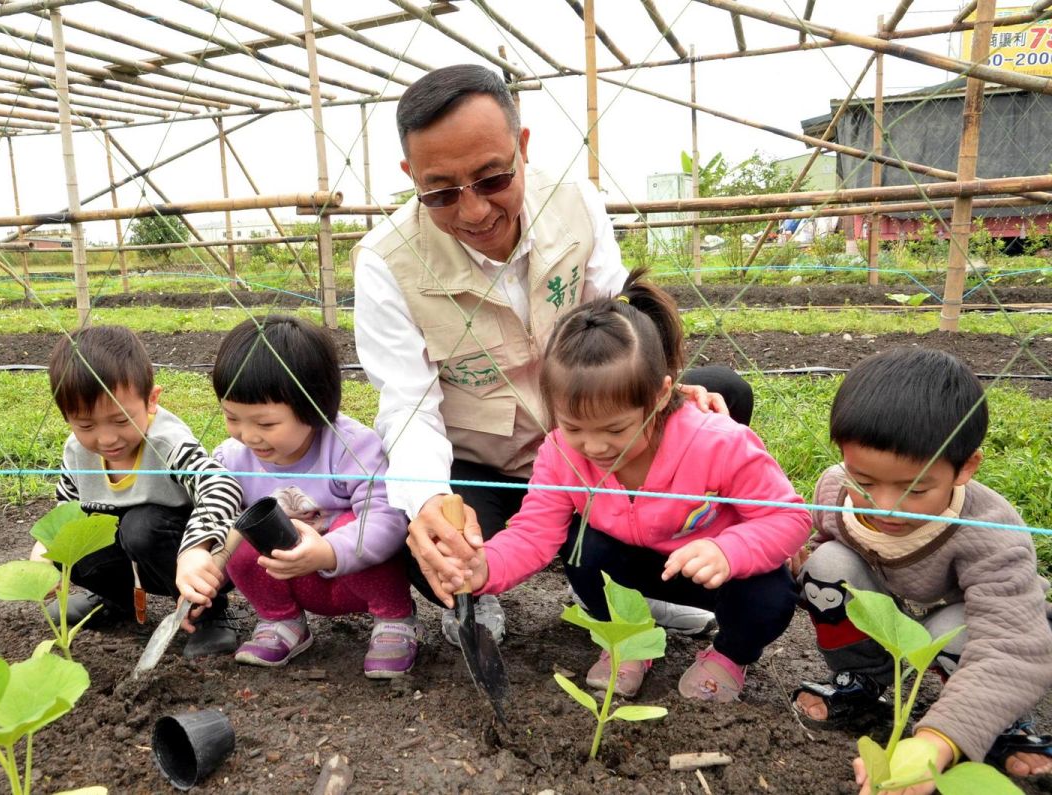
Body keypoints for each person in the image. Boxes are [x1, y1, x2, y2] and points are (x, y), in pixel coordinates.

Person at [353, 64, 748, 644]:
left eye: (492, 179)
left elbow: (620, 321)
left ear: (523, 146)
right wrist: (431, 501)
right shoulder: (387, 260)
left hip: (592, 445)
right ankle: (476, 594)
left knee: (723, 397)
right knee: (428, 540)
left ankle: (638, 589)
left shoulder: (572, 201)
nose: (473, 212)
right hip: (488, 463)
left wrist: (666, 394)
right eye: (439, 192)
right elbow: (409, 405)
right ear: (410, 175)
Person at [413, 269, 809, 699]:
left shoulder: (718, 442)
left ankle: (728, 656)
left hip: (712, 571)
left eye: (615, 429)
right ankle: (630, 638)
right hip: (630, 566)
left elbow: (789, 518)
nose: (594, 446)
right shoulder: (560, 452)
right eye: (574, 427)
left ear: (659, 397)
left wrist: (727, 550)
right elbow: (534, 534)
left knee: (771, 595)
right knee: (583, 548)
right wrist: (484, 566)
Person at [793, 348, 1052, 793]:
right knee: (826, 566)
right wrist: (803, 553)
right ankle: (861, 682)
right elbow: (827, 537)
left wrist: (935, 741)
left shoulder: (990, 530)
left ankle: (992, 722)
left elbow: (1010, 643)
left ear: (965, 467)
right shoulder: (836, 487)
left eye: (916, 488)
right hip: (889, 609)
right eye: (866, 482)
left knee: (961, 631)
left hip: (970, 617)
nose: (885, 506)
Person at [211, 316, 418, 679]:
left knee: (360, 524)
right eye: (233, 418)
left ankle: (394, 618)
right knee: (240, 536)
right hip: (287, 573)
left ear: (315, 406)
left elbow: (387, 517)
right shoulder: (231, 459)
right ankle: (282, 622)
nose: (248, 436)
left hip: (350, 573)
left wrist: (329, 549)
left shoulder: (352, 447)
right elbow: (214, 510)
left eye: (266, 424)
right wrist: (208, 557)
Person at [33, 325, 243, 658]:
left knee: (140, 526)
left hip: (196, 558)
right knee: (70, 542)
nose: (106, 439)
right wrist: (44, 551)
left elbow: (223, 485)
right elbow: (67, 509)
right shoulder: (77, 451)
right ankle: (118, 600)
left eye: (120, 420)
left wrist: (197, 549)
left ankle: (211, 611)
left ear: (151, 401)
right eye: (86, 425)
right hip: (137, 554)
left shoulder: (167, 443)